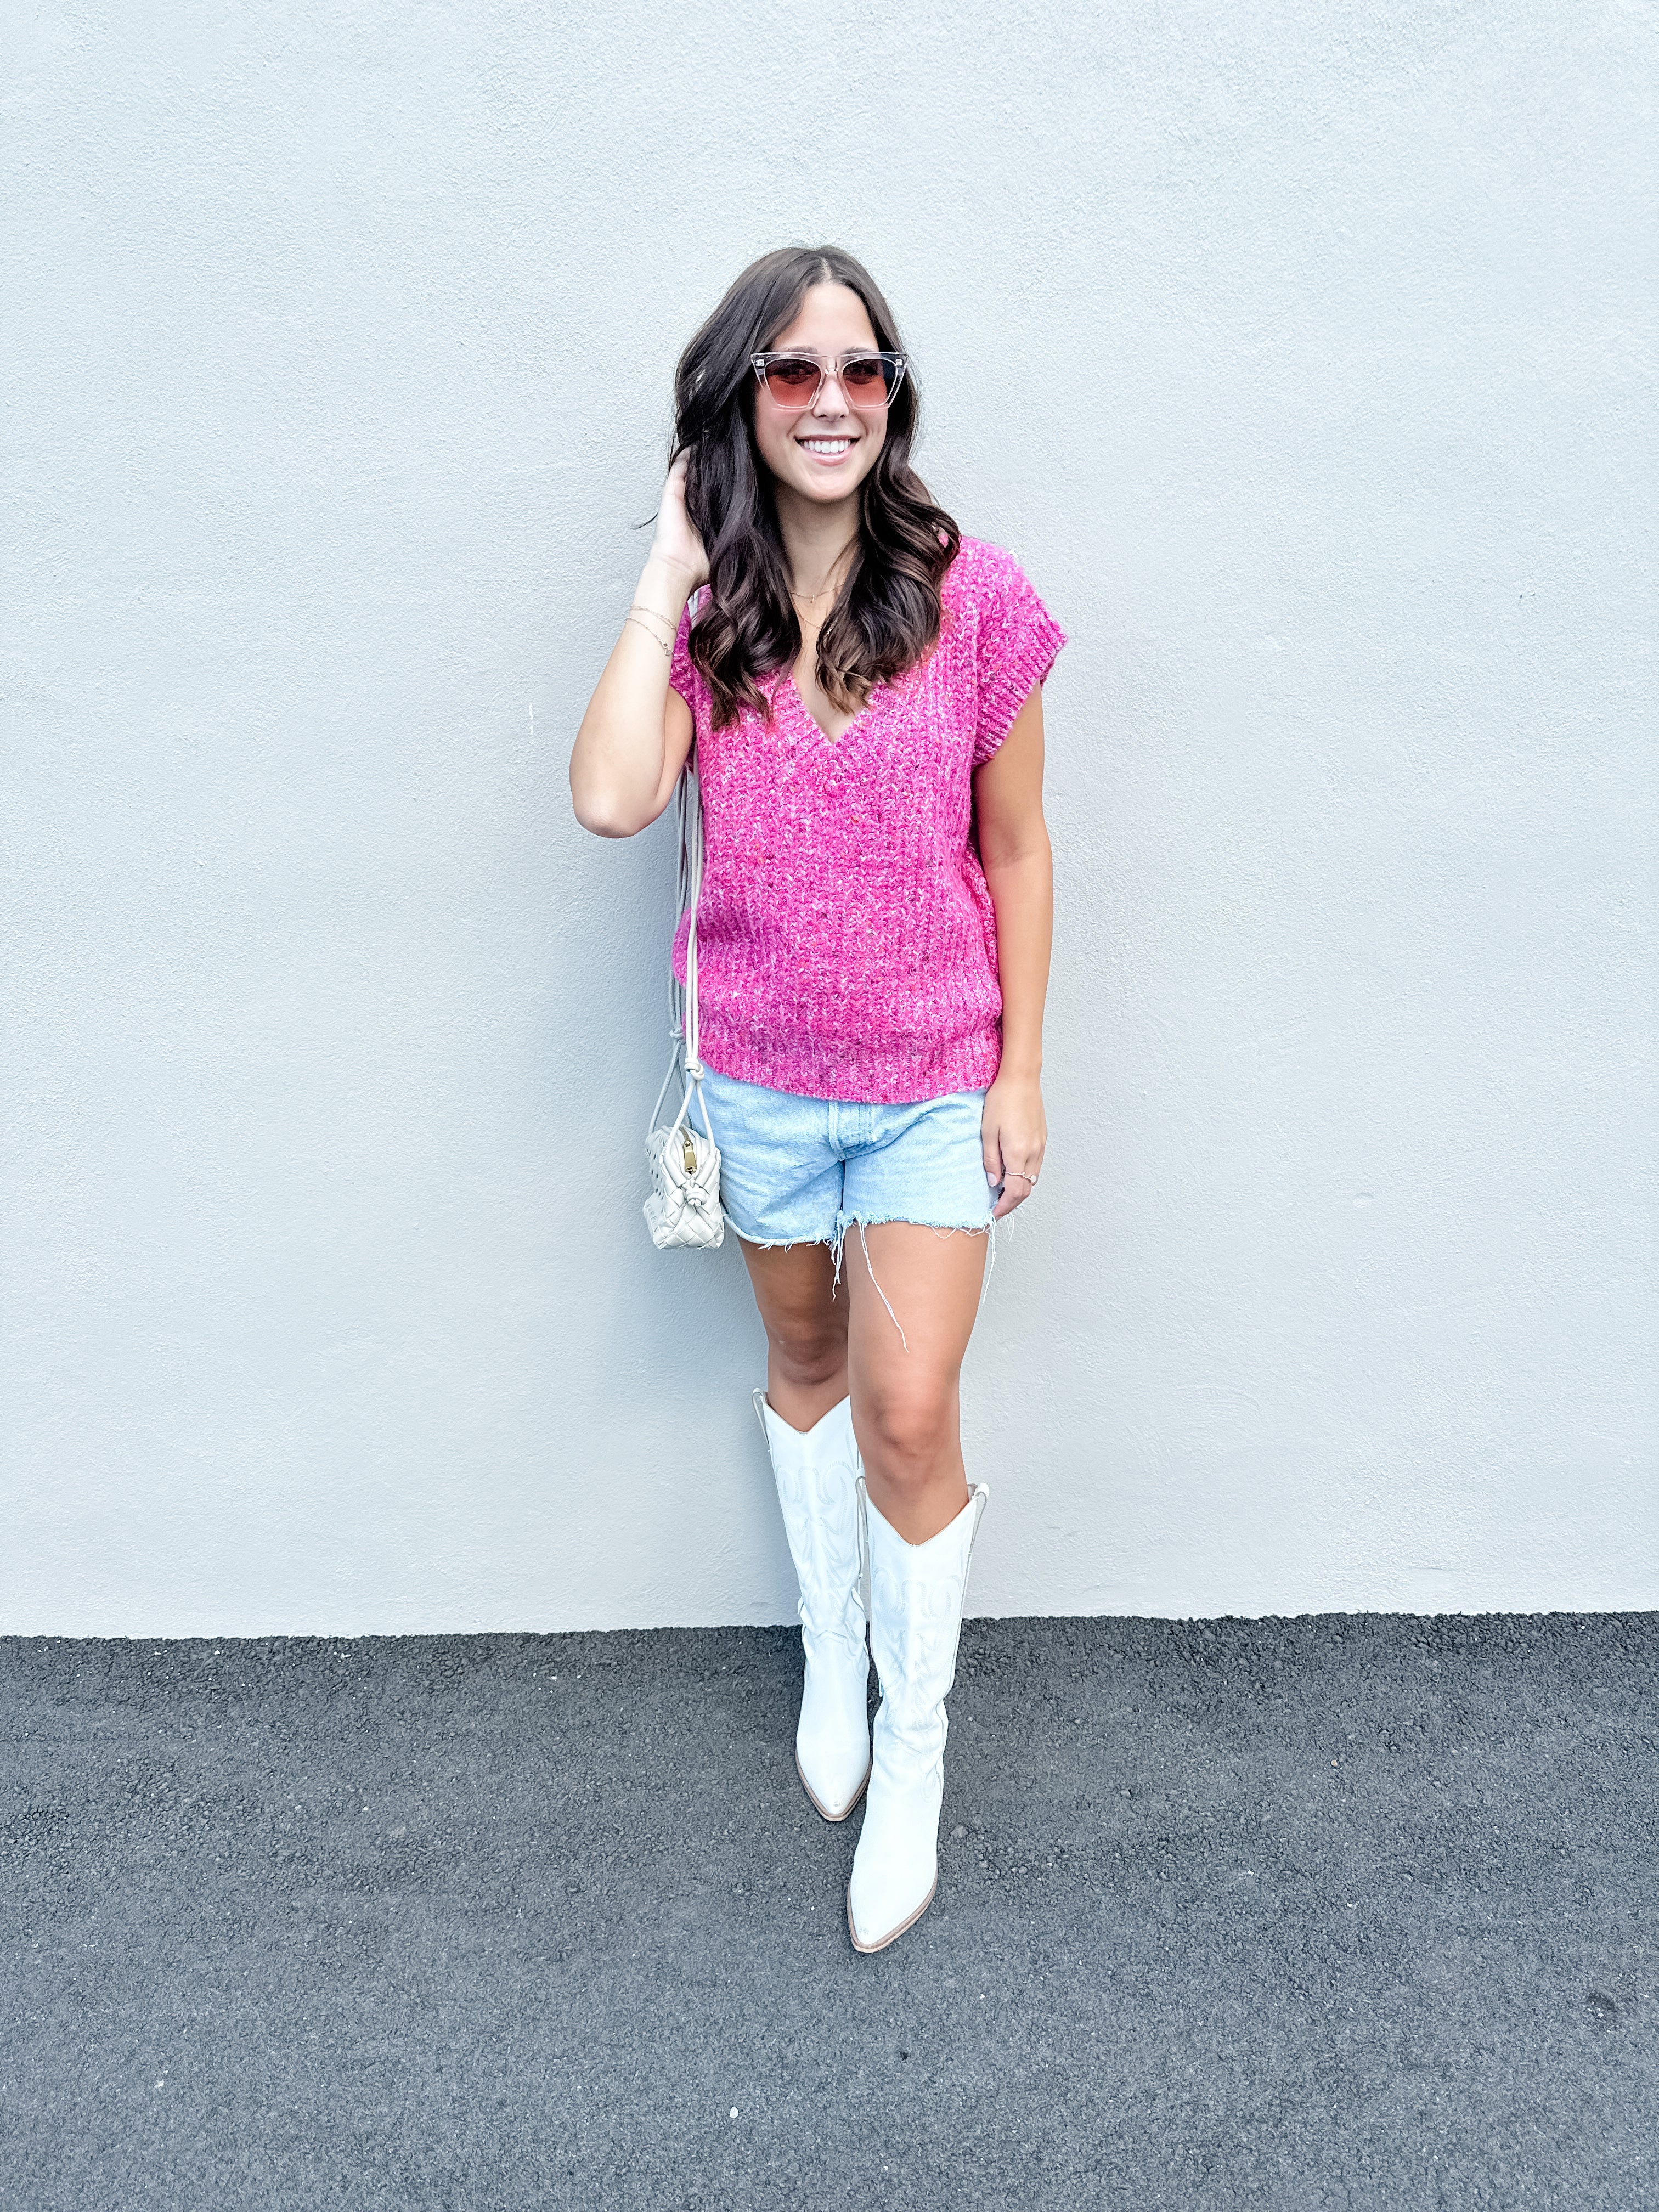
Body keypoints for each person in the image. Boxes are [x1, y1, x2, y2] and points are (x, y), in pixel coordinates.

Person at [571, 245, 1064, 1952]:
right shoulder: (709, 621)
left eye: (863, 370)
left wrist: (1020, 1070)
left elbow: (1017, 847)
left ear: (894, 395)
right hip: (760, 1086)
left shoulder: (973, 596)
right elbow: (613, 799)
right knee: (805, 1366)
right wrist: (665, 567)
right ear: (740, 401)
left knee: (908, 1415)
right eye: (793, 373)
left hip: (932, 1082)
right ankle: (832, 1657)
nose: (835, 400)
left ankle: (911, 1752)